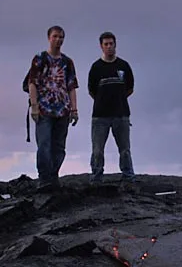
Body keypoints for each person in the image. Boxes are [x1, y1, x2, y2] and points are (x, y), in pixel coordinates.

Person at [28, 25, 79, 191]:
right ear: (49, 37)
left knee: (59, 146)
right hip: (44, 109)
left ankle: (53, 175)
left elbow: (71, 86)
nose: (58, 40)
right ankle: (44, 178)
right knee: (44, 144)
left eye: (61, 37)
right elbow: (32, 83)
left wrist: (74, 109)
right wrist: (34, 106)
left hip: (63, 109)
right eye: (55, 36)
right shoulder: (39, 58)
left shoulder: (67, 62)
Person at [87, 31, 135, 184]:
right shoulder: (96, 67)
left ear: (115, 45)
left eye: (111, 44)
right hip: (100, 116)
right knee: (97, 150)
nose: (109, 47)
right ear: (101, 46)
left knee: (125, 149)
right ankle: (96, 177)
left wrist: (118, 100)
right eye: (106, 44)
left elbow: (130, 88)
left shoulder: (124, 66)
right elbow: (91, 90)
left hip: (121, 114)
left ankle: (128, 176)